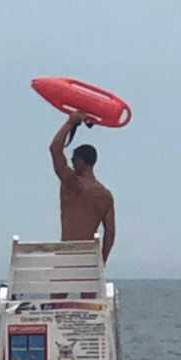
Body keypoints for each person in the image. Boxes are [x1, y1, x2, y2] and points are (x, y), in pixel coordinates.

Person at [49, 111, 115, 263]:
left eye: (73, 159)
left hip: (65, 261)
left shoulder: (71, 183)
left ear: (81, 161)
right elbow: (110, 233)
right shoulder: (106, 195)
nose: (71, 162)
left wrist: (70, 123)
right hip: (88, 264)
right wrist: (101, 264)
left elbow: (54, 149)